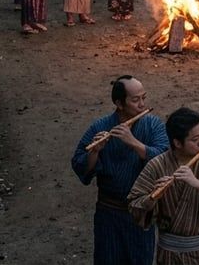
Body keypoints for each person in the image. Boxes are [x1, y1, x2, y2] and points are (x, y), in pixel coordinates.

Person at [72, 76, 169, 265]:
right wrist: (94, 153)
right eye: (135, 100)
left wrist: (133, 142)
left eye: (144, 98)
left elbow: (164, 158)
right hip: (109, 213)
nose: (142, 104)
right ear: (119, 103)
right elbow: (79, 164)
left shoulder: (153, 125)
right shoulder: (100, 126)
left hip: (141, 212)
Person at [127, 108, 199, 265]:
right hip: (170, 254)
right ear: (177, 142)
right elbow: (134, 202)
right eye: (195, 139)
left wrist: (197, 183)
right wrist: (152, 198)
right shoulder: (157, 165)